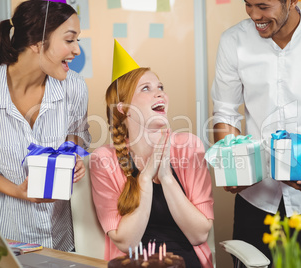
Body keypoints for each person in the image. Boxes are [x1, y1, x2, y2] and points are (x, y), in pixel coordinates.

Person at [211, 0, 301, 267]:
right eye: (248, 4)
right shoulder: (233, 41)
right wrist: (231, 167)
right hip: (255, 194)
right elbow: (226, 112)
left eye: (263, 6)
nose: (254, 15)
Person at [0, 0, 91, 251]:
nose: (76, 50)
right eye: (69, 40)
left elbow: (78, 133)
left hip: (57, 234)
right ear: (36, 43)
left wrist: (71, 155)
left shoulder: (74, 87)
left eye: (78, 41)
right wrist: (18, 191)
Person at [90, 40, 214, 268]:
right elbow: (126, 242)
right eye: (146, 88)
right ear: (123, 108)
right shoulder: (103, 160)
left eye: (160, 87)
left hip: (185, 261)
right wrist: (146, 178)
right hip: (133, 262)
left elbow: (199, 235)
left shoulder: (189, 146)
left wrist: (166, 177)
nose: (160, 94)